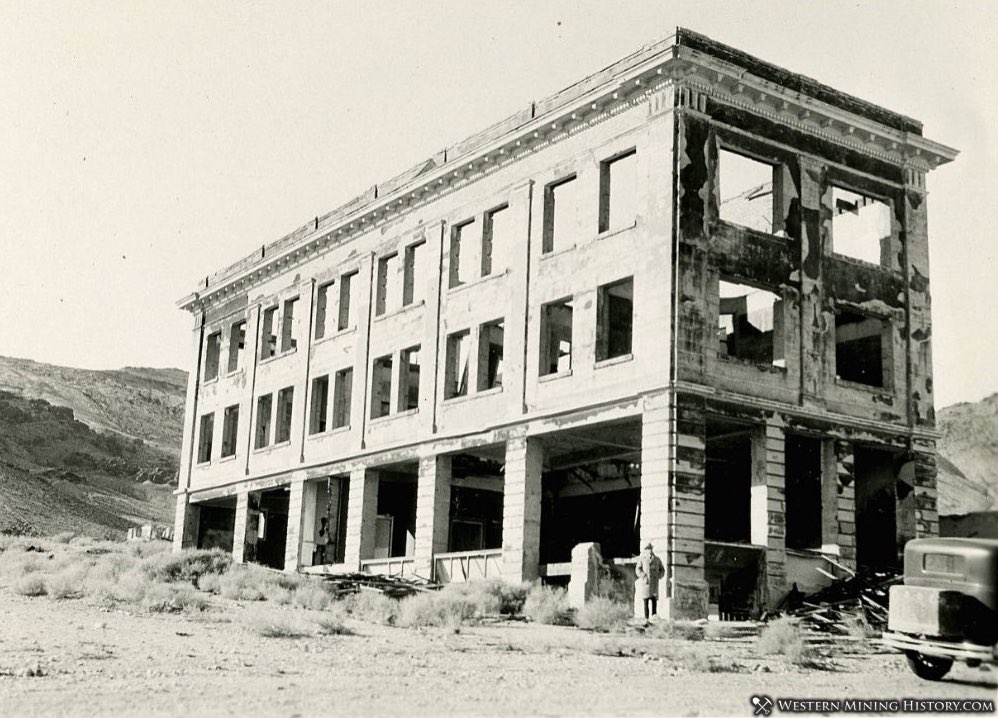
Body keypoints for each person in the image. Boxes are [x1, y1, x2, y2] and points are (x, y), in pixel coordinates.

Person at [634, 542, 665, 620]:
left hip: (654, 583)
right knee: (646, 601)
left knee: (654, 602)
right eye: (648, 549)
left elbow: (662, 570)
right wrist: (643, 575)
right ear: (646, 550)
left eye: (650, 549)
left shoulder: (657, 559)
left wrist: (659, 576)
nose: (649, 551)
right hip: (646, 583)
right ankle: (646, 618)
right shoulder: (642, 559)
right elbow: (638, 569)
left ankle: (654, 618)